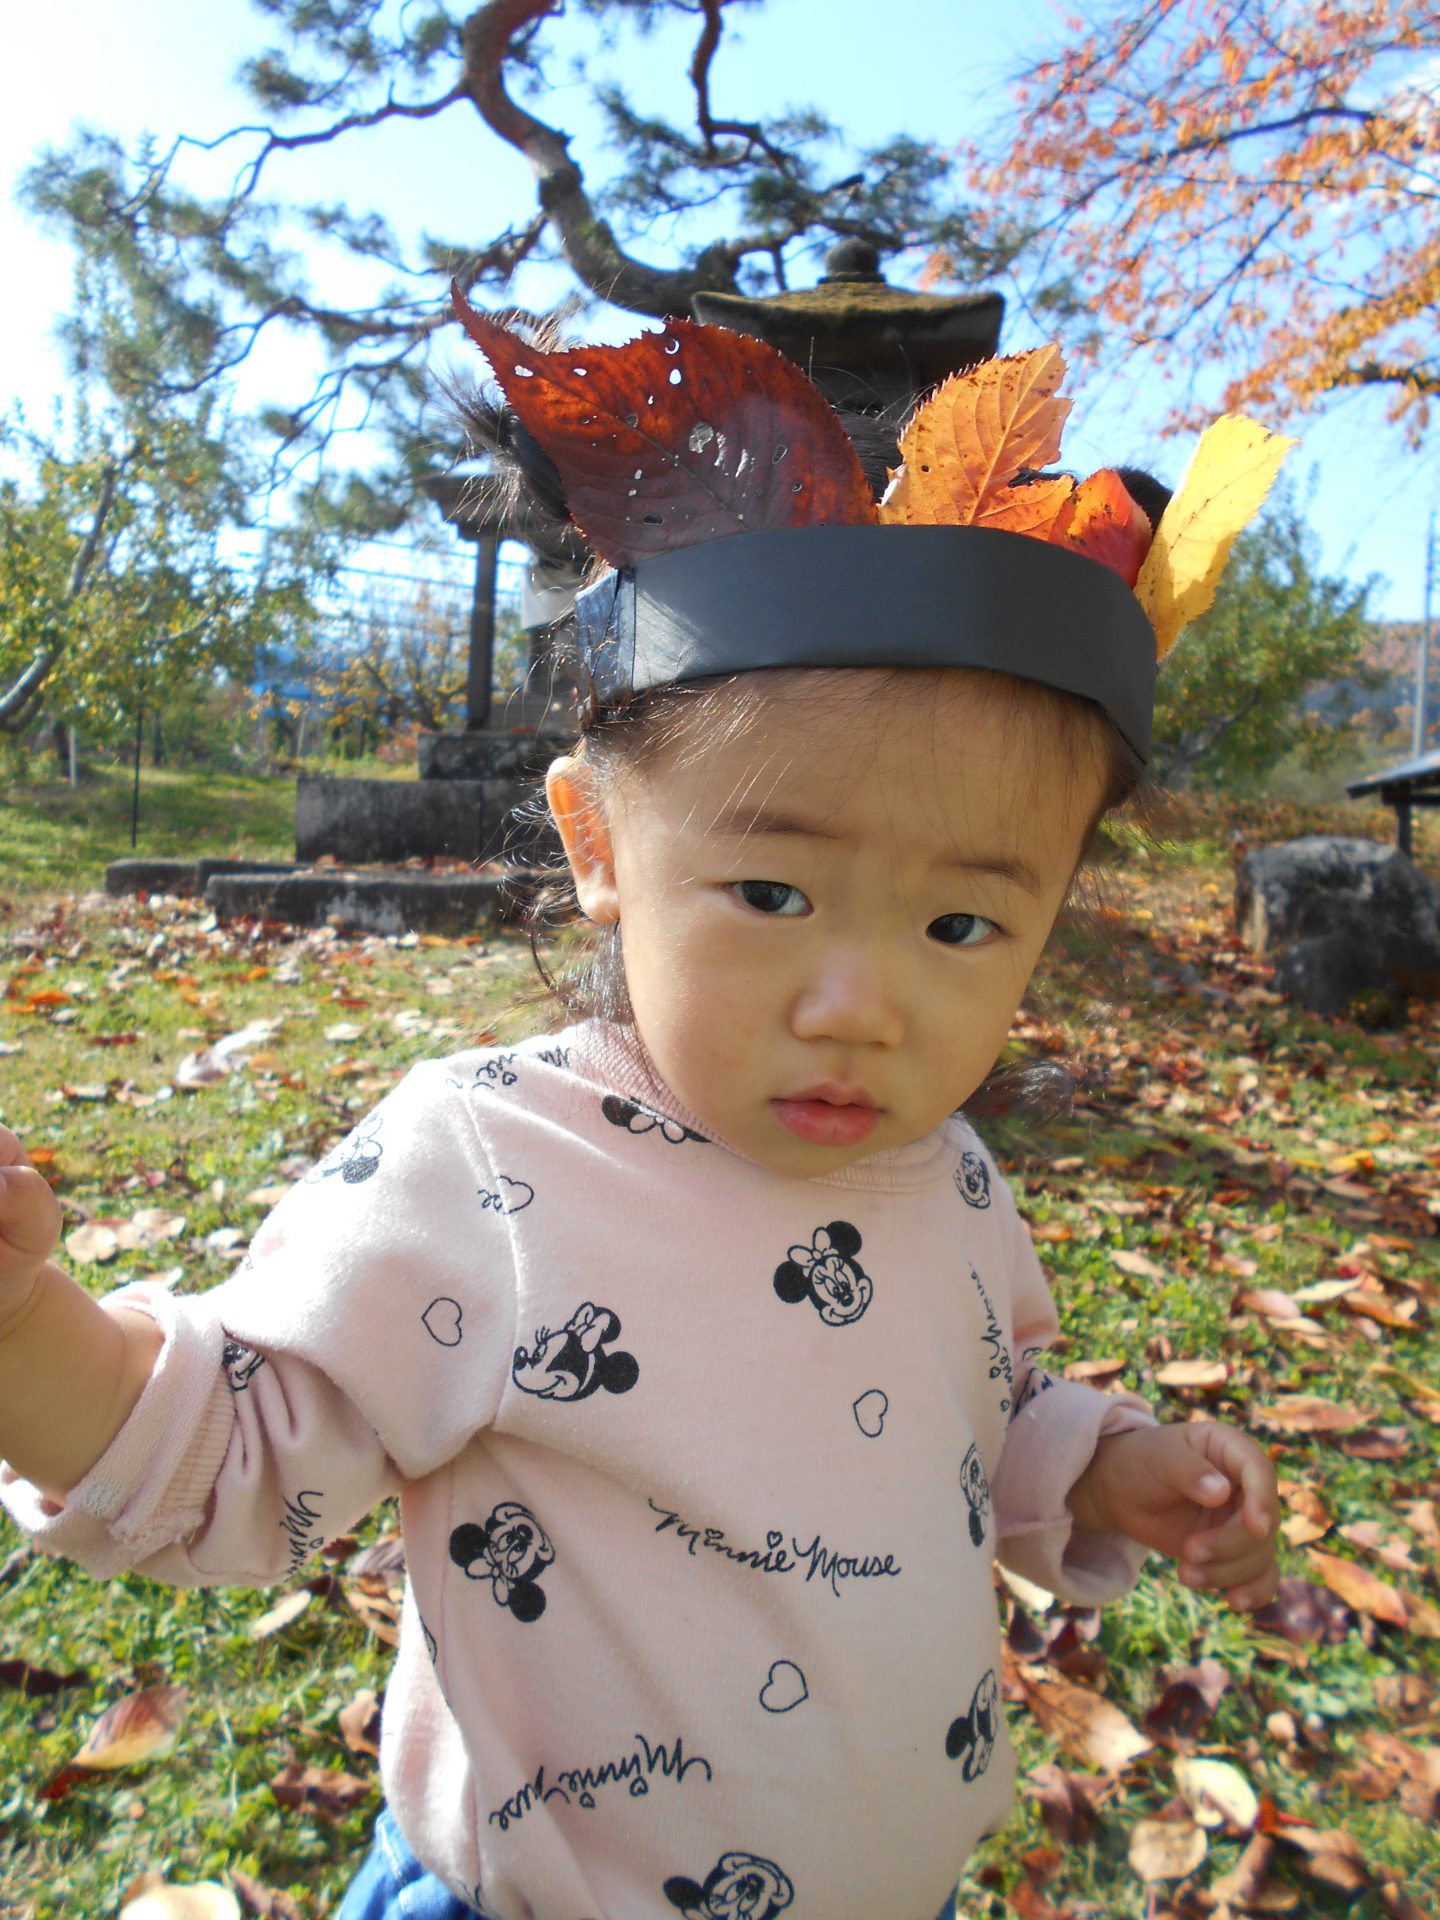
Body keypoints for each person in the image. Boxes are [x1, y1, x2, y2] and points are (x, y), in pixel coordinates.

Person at [0, 314, 1281, 1920]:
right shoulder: (492, 1167)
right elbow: (227, 1448)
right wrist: (22, 1327)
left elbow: (973, 1409)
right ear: (600, 842)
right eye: (772, 892)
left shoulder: (947, 1175)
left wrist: (1105, 1464)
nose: (859, 1006)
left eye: (962, 924)